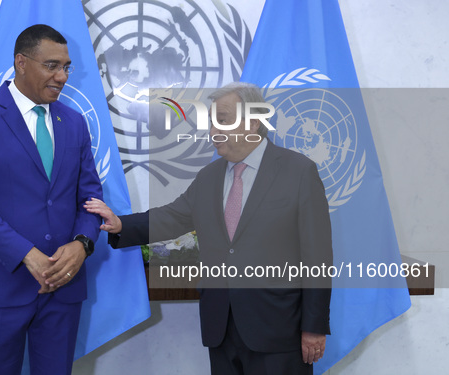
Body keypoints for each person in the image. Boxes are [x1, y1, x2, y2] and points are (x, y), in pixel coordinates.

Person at [85, 82, 332, 375]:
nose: (213, 130)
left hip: (278, 330)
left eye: (223, 120)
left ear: (253, 121)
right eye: (212, 122)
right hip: (221, 327)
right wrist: (122, 224)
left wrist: (314, 327)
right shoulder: (209, 176)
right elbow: (173, 217)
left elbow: (318, 256)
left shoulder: (298, 171)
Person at [0, 24, 102, 375]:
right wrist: (25, 254)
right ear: (20, 62)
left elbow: (90, 196)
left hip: (63, 287)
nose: (61, 76)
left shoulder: (74, 122)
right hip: (0, 286)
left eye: (66, 67)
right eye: (52, 65)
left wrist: (82, 244)